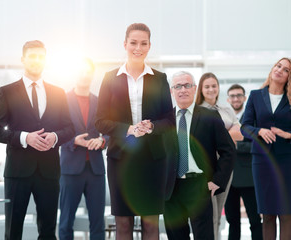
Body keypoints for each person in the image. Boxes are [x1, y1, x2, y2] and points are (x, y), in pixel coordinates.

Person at [95, 23, 175, 240]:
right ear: (125, 44)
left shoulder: (159, 78)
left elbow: (169, 119)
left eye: (143, 43)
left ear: (149, 46)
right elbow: (100, 121)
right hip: (120, 159)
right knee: (123, 224)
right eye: (133, 43)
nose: (138, 48)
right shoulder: (110, 78)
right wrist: (128, 129)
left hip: (153, 159)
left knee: (150, 225)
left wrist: (152, 126)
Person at [0, 40, 74, 240]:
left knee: (47, 232)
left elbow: (70, 128)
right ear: (23, 60)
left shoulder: (58, 92)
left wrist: (55, 137)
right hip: (18, 172)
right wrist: (24, 137)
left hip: (49, 172)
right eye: (32, 56)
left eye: (40, 57)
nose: (36, 61)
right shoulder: (7, 91)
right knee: (13, 232)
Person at [164, 71, 235, 240]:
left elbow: (228, 151)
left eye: (187, 85)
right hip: (171, 189)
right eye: (178, 86)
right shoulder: (163, 120)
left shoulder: (209, 116)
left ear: (195, 89)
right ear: (171, 91)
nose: (183, 90)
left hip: (199, 185)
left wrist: (217, 181)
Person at [241, 58, 291, 240]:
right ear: (273, 69)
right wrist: (259, 130)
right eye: (278, 66)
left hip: (287, 160)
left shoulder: (290, 99)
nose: (280, 70)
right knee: (268, 214)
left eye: (285, 70)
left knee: (286, 213)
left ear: (288, 77)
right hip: (262, 161)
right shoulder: (255, 96)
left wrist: (287, 135)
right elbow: (244, 127)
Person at [58, 58, 108, 240]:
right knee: (65, 222)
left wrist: (103, 141)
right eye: (81, 71)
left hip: (95, 171)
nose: (85, 75)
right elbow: (54, 132)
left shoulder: (100, 101)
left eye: (88, 72)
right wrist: (73, 141)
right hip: (70, 170)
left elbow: (110, 130)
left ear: (93, 75)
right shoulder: (62, 100)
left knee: (98, 224)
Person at [195, 72, 243, 240]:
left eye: (214, 86)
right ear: (201, 89)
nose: (211, 89)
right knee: (208, 214)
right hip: (205, 167)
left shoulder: (225, 109)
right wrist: (224, 135)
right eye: (207, 86)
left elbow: (240, 133)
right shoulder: (195, 111)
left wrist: (219, 138)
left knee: (218, 213)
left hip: (224, 167)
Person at [225, 84, 263, 240]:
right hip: (228, 179)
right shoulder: (224, 119)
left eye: (239, 95)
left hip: (249, 178)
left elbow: (259, 145)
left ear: (245, 98)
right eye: (232, 96)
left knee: (255, 220)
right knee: (232, 221)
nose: (236, 99)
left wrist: (236, 144)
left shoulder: (253, 119)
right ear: (228, 99)